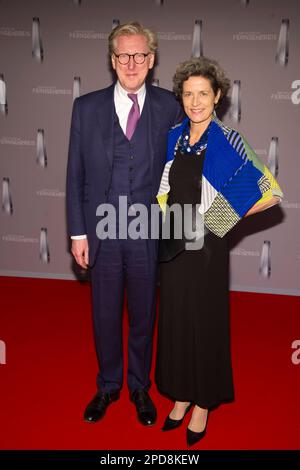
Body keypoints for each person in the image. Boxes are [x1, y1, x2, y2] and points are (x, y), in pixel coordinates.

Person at [155, 57, 283, 446]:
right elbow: (164, 191)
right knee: (175, 321)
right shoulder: (173, 137)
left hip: (208, 250)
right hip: (175, 242)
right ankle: (179, 395)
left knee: (204, 324)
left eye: (203, 94)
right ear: (181, 97)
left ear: (218, 97)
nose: (195, 101)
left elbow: (271, 193)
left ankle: (203, 403)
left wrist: (222, 218)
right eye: (188, 94)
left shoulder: (230, 141)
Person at [66, 21, 183, 426]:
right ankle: (108, 386)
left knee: (144, 313)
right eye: (123, 56)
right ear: (112, 60)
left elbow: (184, 165)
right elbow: (75, 175)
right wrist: (78, 232)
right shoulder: (86, 107)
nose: (131, 63)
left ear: (151, 61)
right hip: (101, 228)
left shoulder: (171, 106)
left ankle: (139, 386)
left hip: (147, 229)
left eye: (139, 55)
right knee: (104, 313)